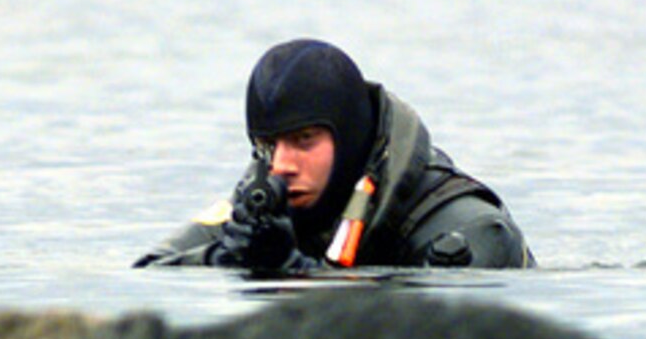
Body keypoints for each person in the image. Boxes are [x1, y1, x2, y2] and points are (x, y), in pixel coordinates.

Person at [134, 39, 535, 270]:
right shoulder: (263, 200)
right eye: (268, 145)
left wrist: (291, 271)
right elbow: (150, 271)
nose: (283, 165)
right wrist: (226, 257)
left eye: (305, 140)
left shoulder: (470, 229)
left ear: (350, 141)